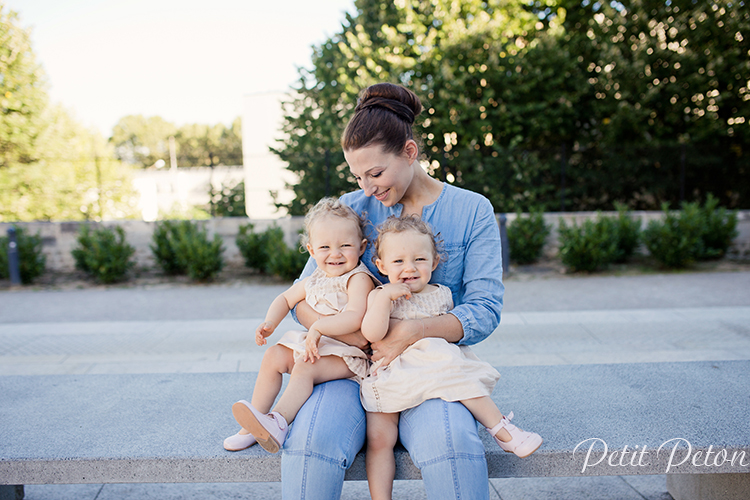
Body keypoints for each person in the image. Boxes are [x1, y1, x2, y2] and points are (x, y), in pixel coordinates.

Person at [283, 82, 507, 500]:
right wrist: (359, 338)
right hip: (348, 368)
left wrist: (412, 332)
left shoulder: (472, 210)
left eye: (376, 173)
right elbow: (304, 295)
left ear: (409, 152)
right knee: (310, 443)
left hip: (430, 369)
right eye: (357, 176)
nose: (367, 188)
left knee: (453, 446)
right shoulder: (352, 207)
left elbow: (485, 310)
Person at [360, 214, 542, 500]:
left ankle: (502, 430)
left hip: (435, 372)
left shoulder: (441, 294)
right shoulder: (379, 295)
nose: (409, 268)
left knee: (461, 379)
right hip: (392, 375)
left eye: (419, 260)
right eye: (398, 262)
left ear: (434, 263)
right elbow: (371, 333)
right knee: (379, 439)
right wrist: (383, 299)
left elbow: (451, 333)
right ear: (381, 266)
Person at [223, 197, 378, 454]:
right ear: (311, 249)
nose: (335, 253)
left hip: (347, 356)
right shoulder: (315, 278)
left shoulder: (357, 279)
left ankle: (279, 422)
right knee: (273, 355)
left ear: (361, 247)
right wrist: (270, 322)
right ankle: (252, 426)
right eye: (325, 246)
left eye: (345, 245)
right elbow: (286, 298)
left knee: (305, 367)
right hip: (319, 346)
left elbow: (355, 317)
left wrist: (318, 327)